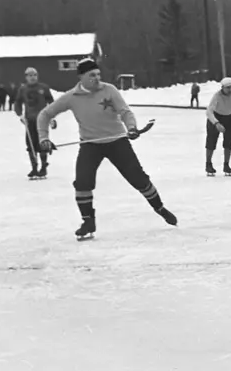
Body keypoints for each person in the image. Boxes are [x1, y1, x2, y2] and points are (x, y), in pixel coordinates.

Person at [36, 58, 176, 240]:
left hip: (117, 141)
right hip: (90, 144)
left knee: (138, 178)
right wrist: (44, 138)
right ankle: (88, 221)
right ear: (81, 77)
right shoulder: (71, 97)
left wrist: (131, 128)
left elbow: (125, 112)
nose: (97, 78)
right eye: (92, 75)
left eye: (98, 74)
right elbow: (45, 114)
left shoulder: (109, 90)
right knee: (82, 183)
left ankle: (159, 208)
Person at [13, 66, 55, 179]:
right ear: (26, 77)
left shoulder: (44, 88)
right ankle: (34, 167)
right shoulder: (23, 89)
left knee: (42, 143)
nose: (33, 77)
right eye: (30, 75)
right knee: (31, 144)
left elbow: (51, 102)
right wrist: (20, 115)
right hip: (29, 120)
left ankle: (44, 167)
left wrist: (51, 116)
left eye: (34, 75)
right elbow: (17, 103)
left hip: (42, 119)